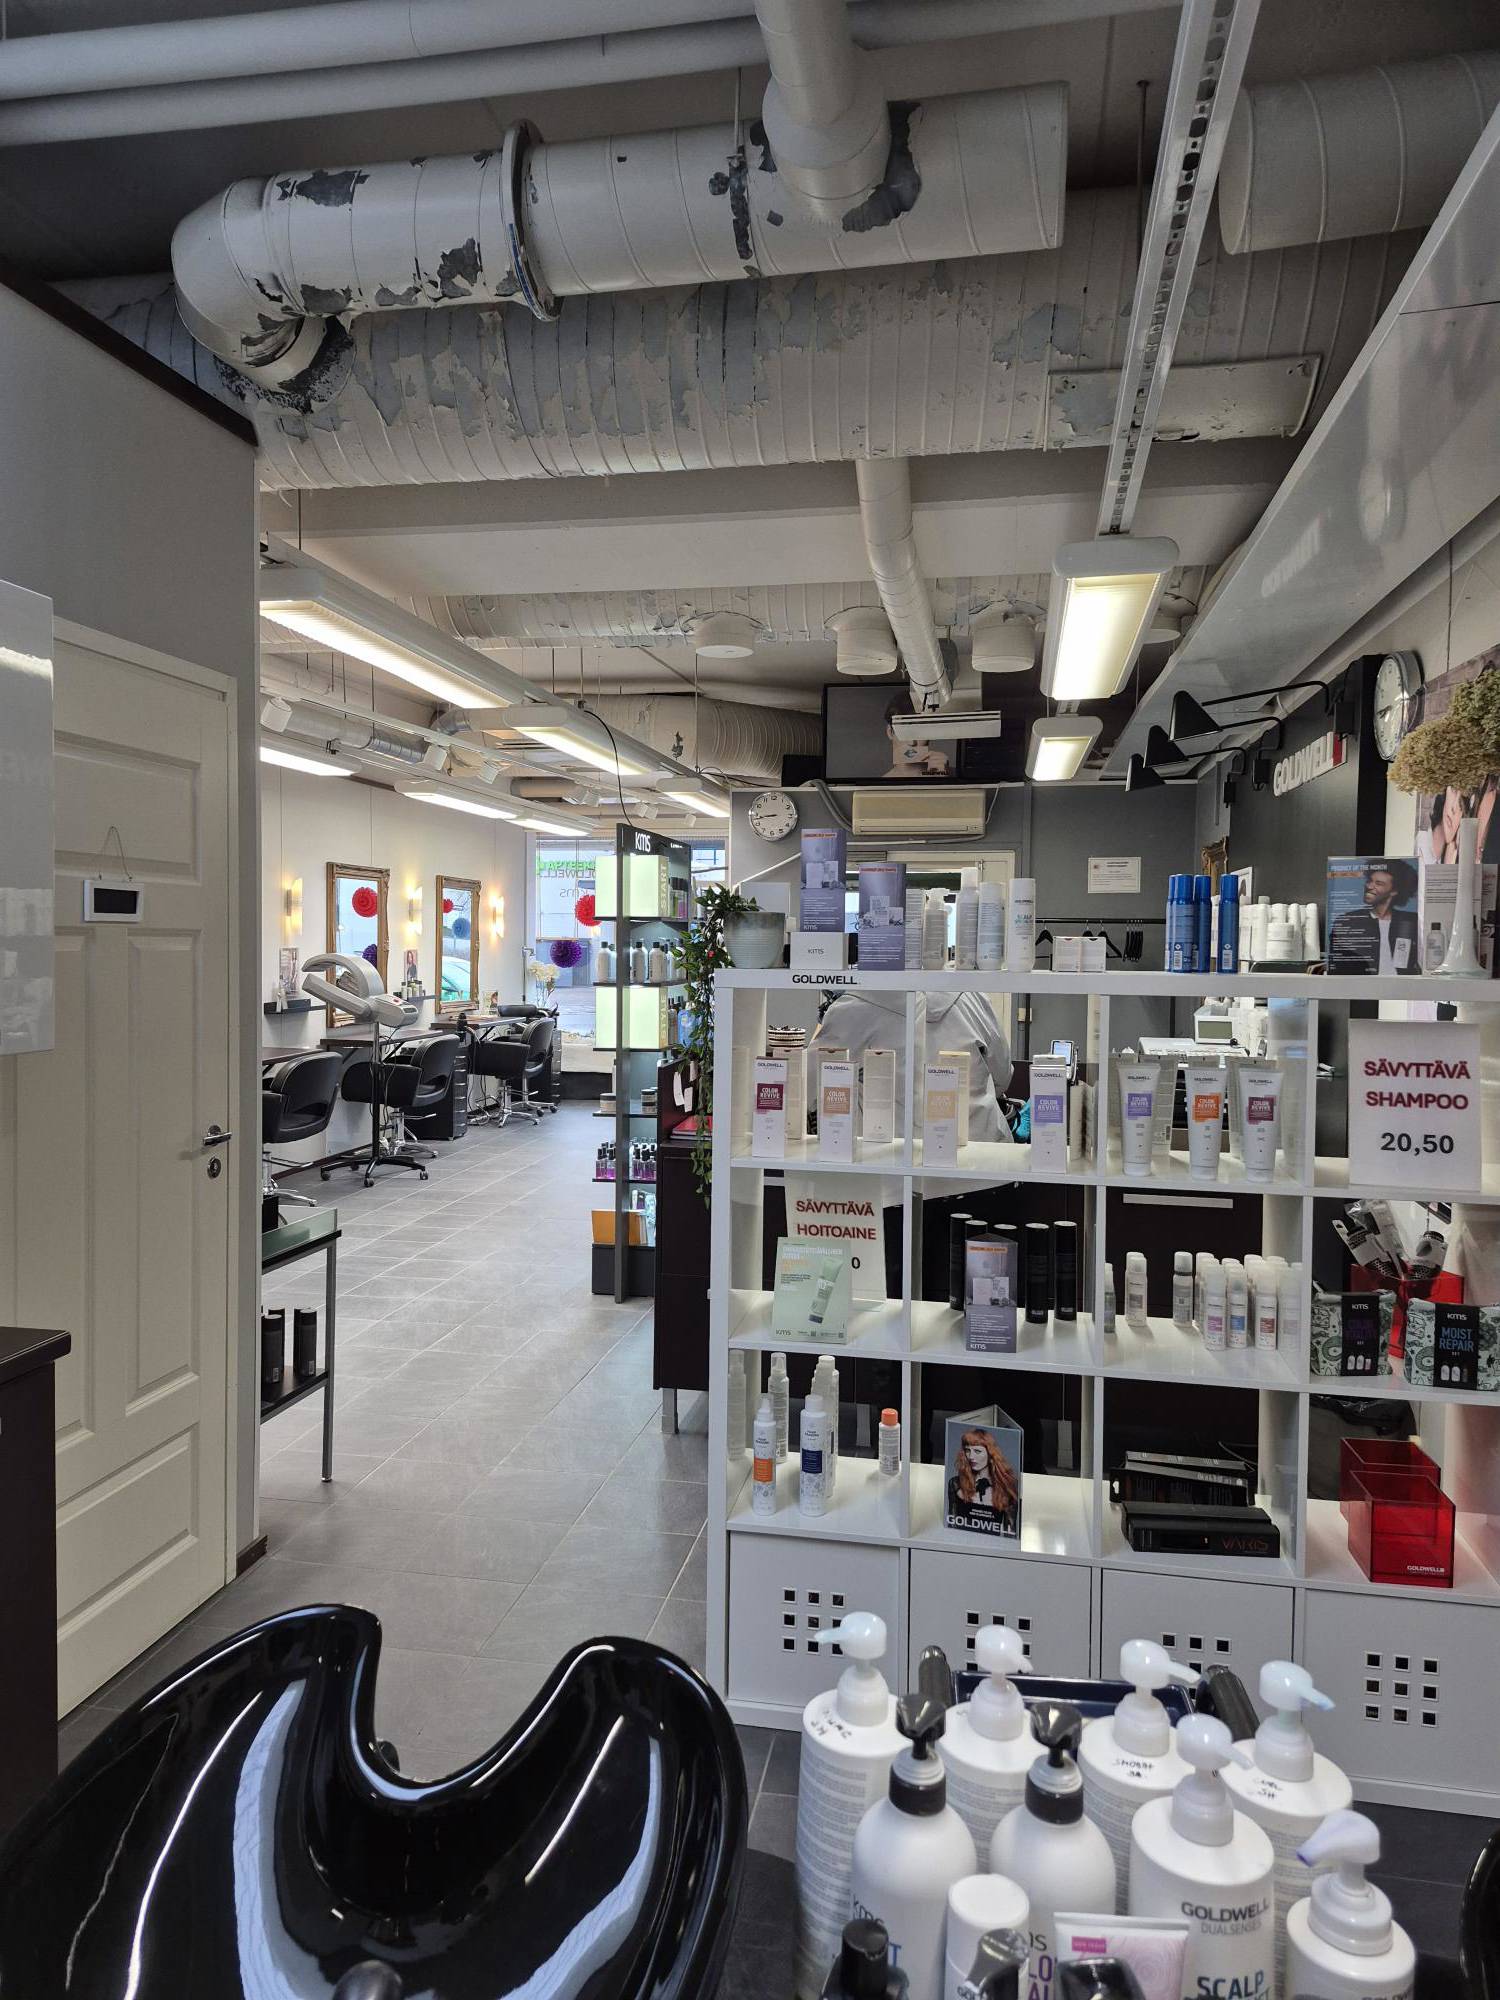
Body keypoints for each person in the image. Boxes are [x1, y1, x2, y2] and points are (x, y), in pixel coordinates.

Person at [1328, 859, 1420, 974]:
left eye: (1379, 883)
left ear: (1394, 891)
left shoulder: (1410, 921)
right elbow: (1336, 965)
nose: (1370, 886)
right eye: (1369, 881)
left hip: (1404, 984)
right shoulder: (1346, 921)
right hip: (1363, 984)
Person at [946, 1427, 1020, 1535]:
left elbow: (1010, 1532)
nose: (971, 1456)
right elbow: (951, 1525)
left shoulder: (1007, 1487)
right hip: (962, 1540)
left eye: (977, 1451)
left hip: (992, 1544)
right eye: (967, 1450)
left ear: (990, 1454)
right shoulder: (955, 1483)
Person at [881, 689, 951, 779]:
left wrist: (943, 781)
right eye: (904, 732)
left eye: (919, 733)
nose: (911, 742)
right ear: (890, 732)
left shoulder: (952, 776)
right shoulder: (878, 786)